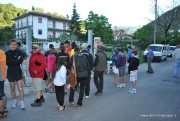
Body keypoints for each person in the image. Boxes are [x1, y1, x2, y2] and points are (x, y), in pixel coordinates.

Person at [5, 40, 25, 110]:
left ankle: (22, 103)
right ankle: (15, 101)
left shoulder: (19, 52)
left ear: (17, 45)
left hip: (18, 73)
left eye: (15, 44)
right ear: (9, 45)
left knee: (20, 88)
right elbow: (7, 62)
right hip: (10, 73)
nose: (13, 45)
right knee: (12, 88)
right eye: (12, 44)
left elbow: (20, 61)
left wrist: (12, 60)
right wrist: (16, 60)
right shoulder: (7, 53)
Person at [0, 49, 8, 117]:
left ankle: (1, 111)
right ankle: (4, 108)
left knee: (0, 94)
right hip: (2, 76)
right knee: (2, 93)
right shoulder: (2, 52)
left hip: (0, 76)